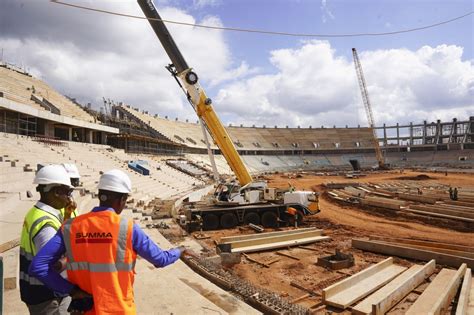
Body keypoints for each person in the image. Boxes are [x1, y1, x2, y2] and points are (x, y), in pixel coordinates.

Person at [30, 169, 195, 314]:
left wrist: (71, 291)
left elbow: (38, 267)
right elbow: (160, 259)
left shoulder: (70, 227)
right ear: (122, 199)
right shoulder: (128, 228)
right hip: (119, 309)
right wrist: (179, 250)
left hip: (83, 309)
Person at [20, 164, 75, 314]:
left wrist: (68, 215)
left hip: (36, 292)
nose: (70, 197)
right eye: (68, 191)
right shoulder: (47, 225)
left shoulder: (36, 212)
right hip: (48, 297)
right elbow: (50, 267)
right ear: (56, 192)